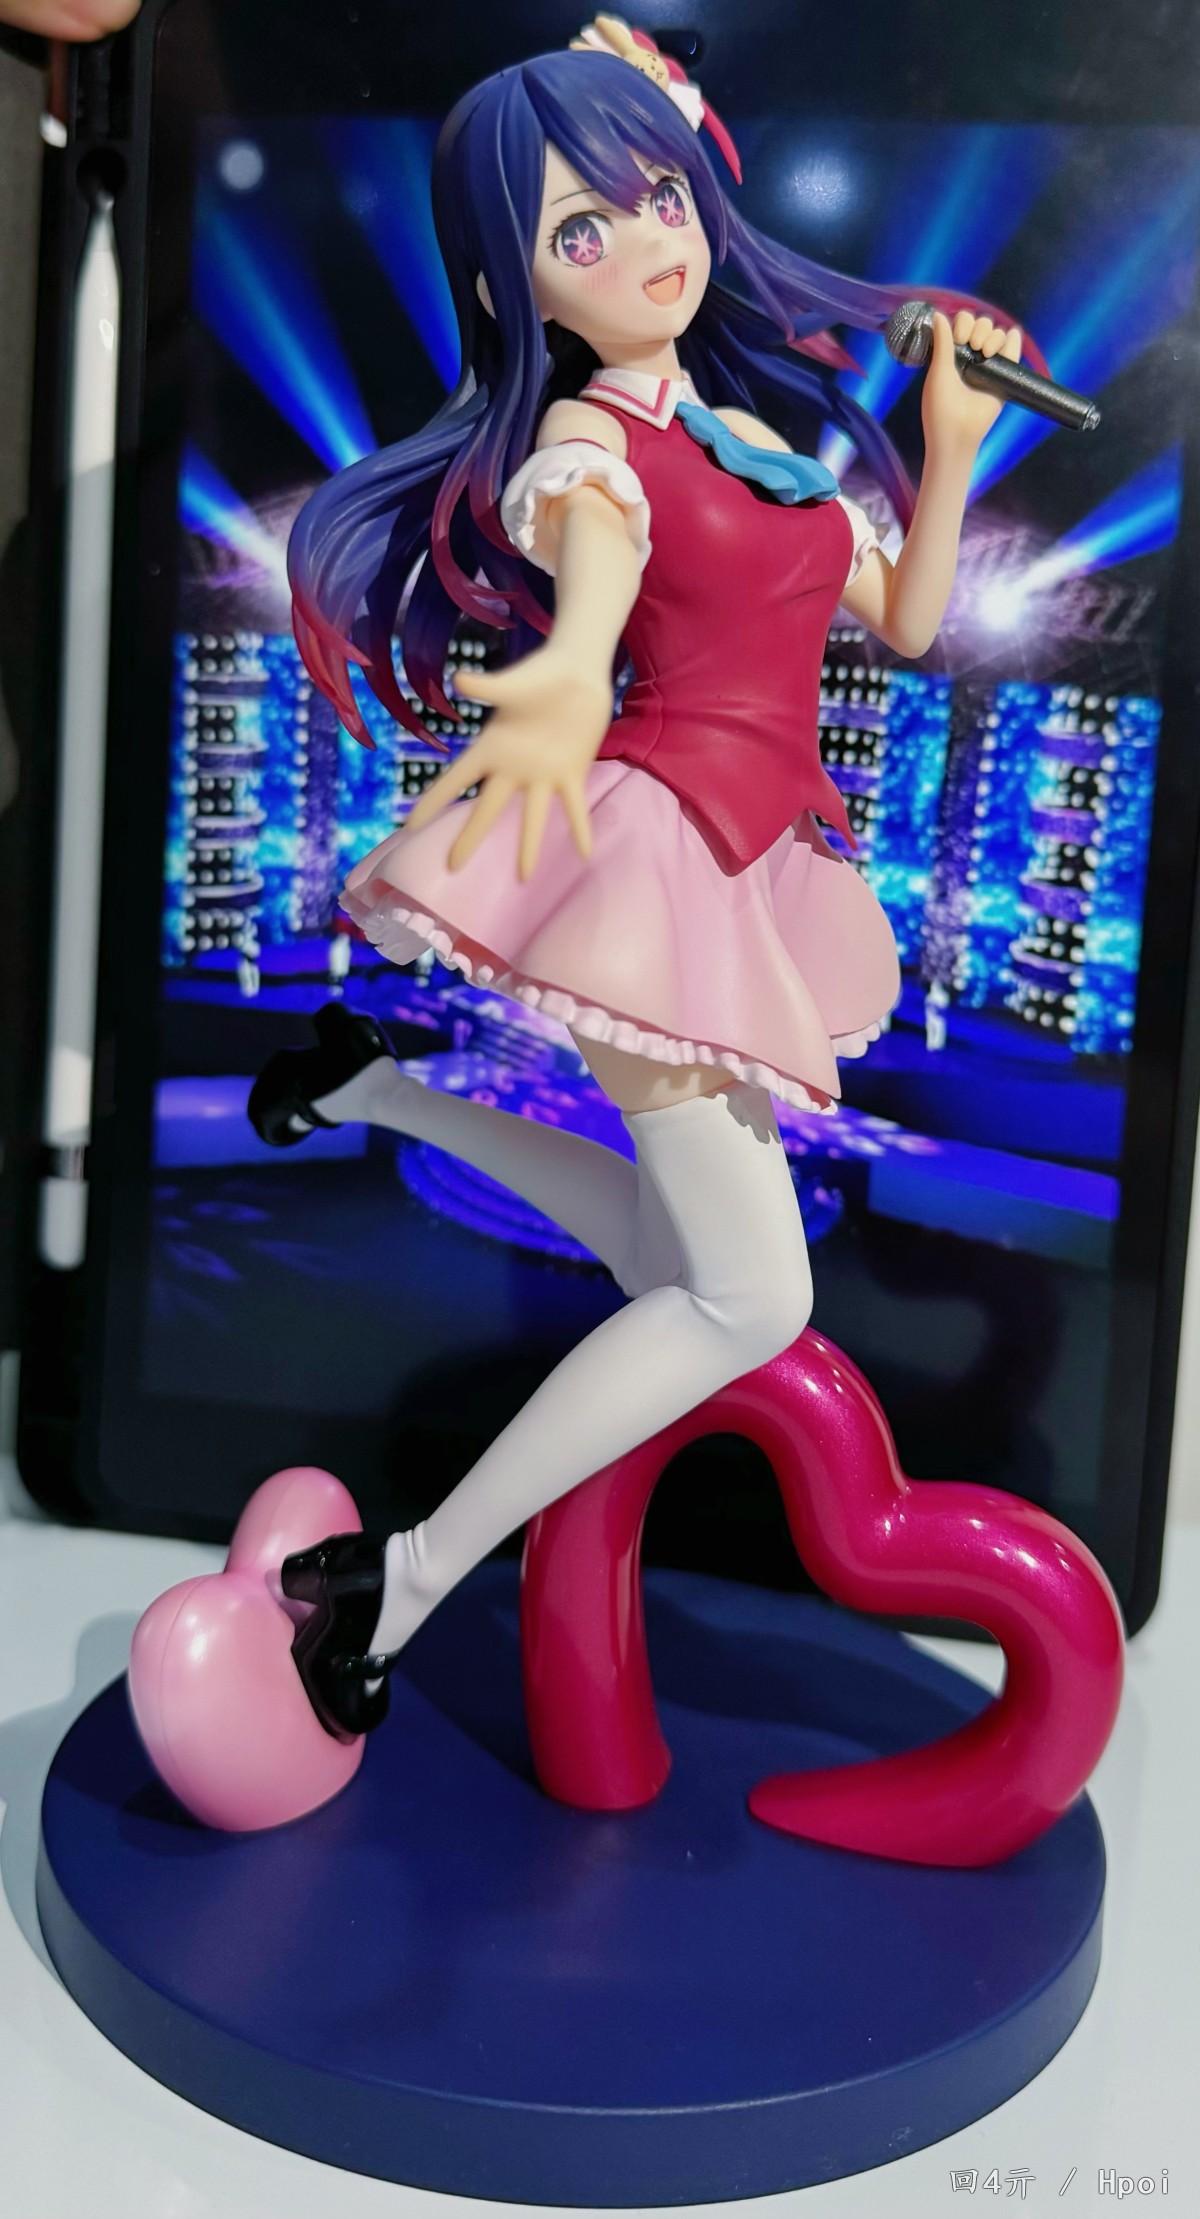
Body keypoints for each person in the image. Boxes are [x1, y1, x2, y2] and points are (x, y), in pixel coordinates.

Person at [249, 18, 1027, 1743]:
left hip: (756, 857)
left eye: (658, 195)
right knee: (755, 1295)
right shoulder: (585, 448)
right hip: (659, 860)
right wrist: (565, 682)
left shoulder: (758, 445)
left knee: (668, 1261)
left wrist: (951, 434)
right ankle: (408, 1574)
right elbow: (595, 590)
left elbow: (909, 623)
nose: (644, 245)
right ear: (513, 287)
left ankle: (371, 1088)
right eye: (579, 231)